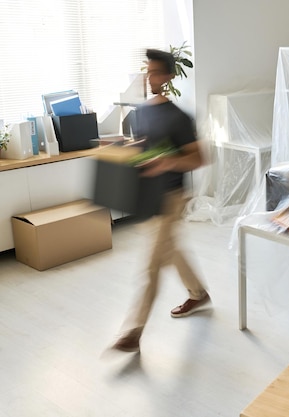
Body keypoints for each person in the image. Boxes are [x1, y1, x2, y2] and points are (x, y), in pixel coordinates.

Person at [111, 49, 210, 353]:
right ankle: (198, 293)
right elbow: (143, 150)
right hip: (148, 195)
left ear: (167, 76)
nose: (149, 77)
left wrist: (168, 162)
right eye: (147, 71)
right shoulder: (141, 112)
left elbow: (199, 157)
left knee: (151, 264)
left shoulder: (179, 117)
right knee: (170, 250)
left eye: (155, 72)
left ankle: (133, 330)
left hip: (172, 196)